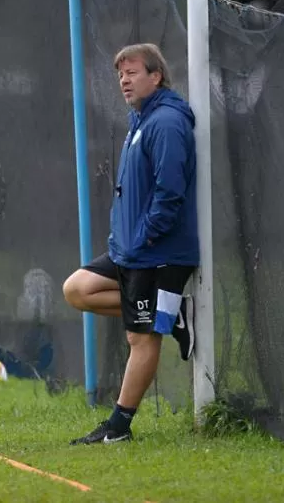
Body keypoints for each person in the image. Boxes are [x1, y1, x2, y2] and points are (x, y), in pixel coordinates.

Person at [62, 43, 199, 445]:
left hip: (157, 251)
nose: (124, 79)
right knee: (77, 289)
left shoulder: (168, 122)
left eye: (133, 72)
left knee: (140, 337)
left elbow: (170, 191)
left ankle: (119, 428)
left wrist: (148, 234)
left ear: (156, 76)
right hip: (130, 249)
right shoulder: (141, 119)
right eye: (120, 74)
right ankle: (171, 316)